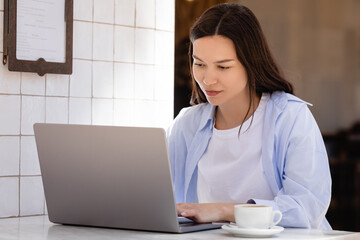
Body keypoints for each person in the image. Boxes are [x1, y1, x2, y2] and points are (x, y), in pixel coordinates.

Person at [166, 3, 332, 229]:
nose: (207, 79)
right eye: (199, 64)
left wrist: (225, 210)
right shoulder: (187, 124)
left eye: (223, 67)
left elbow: (307, 208)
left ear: (250, 63)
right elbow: (163, 198)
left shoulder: (291, 117)